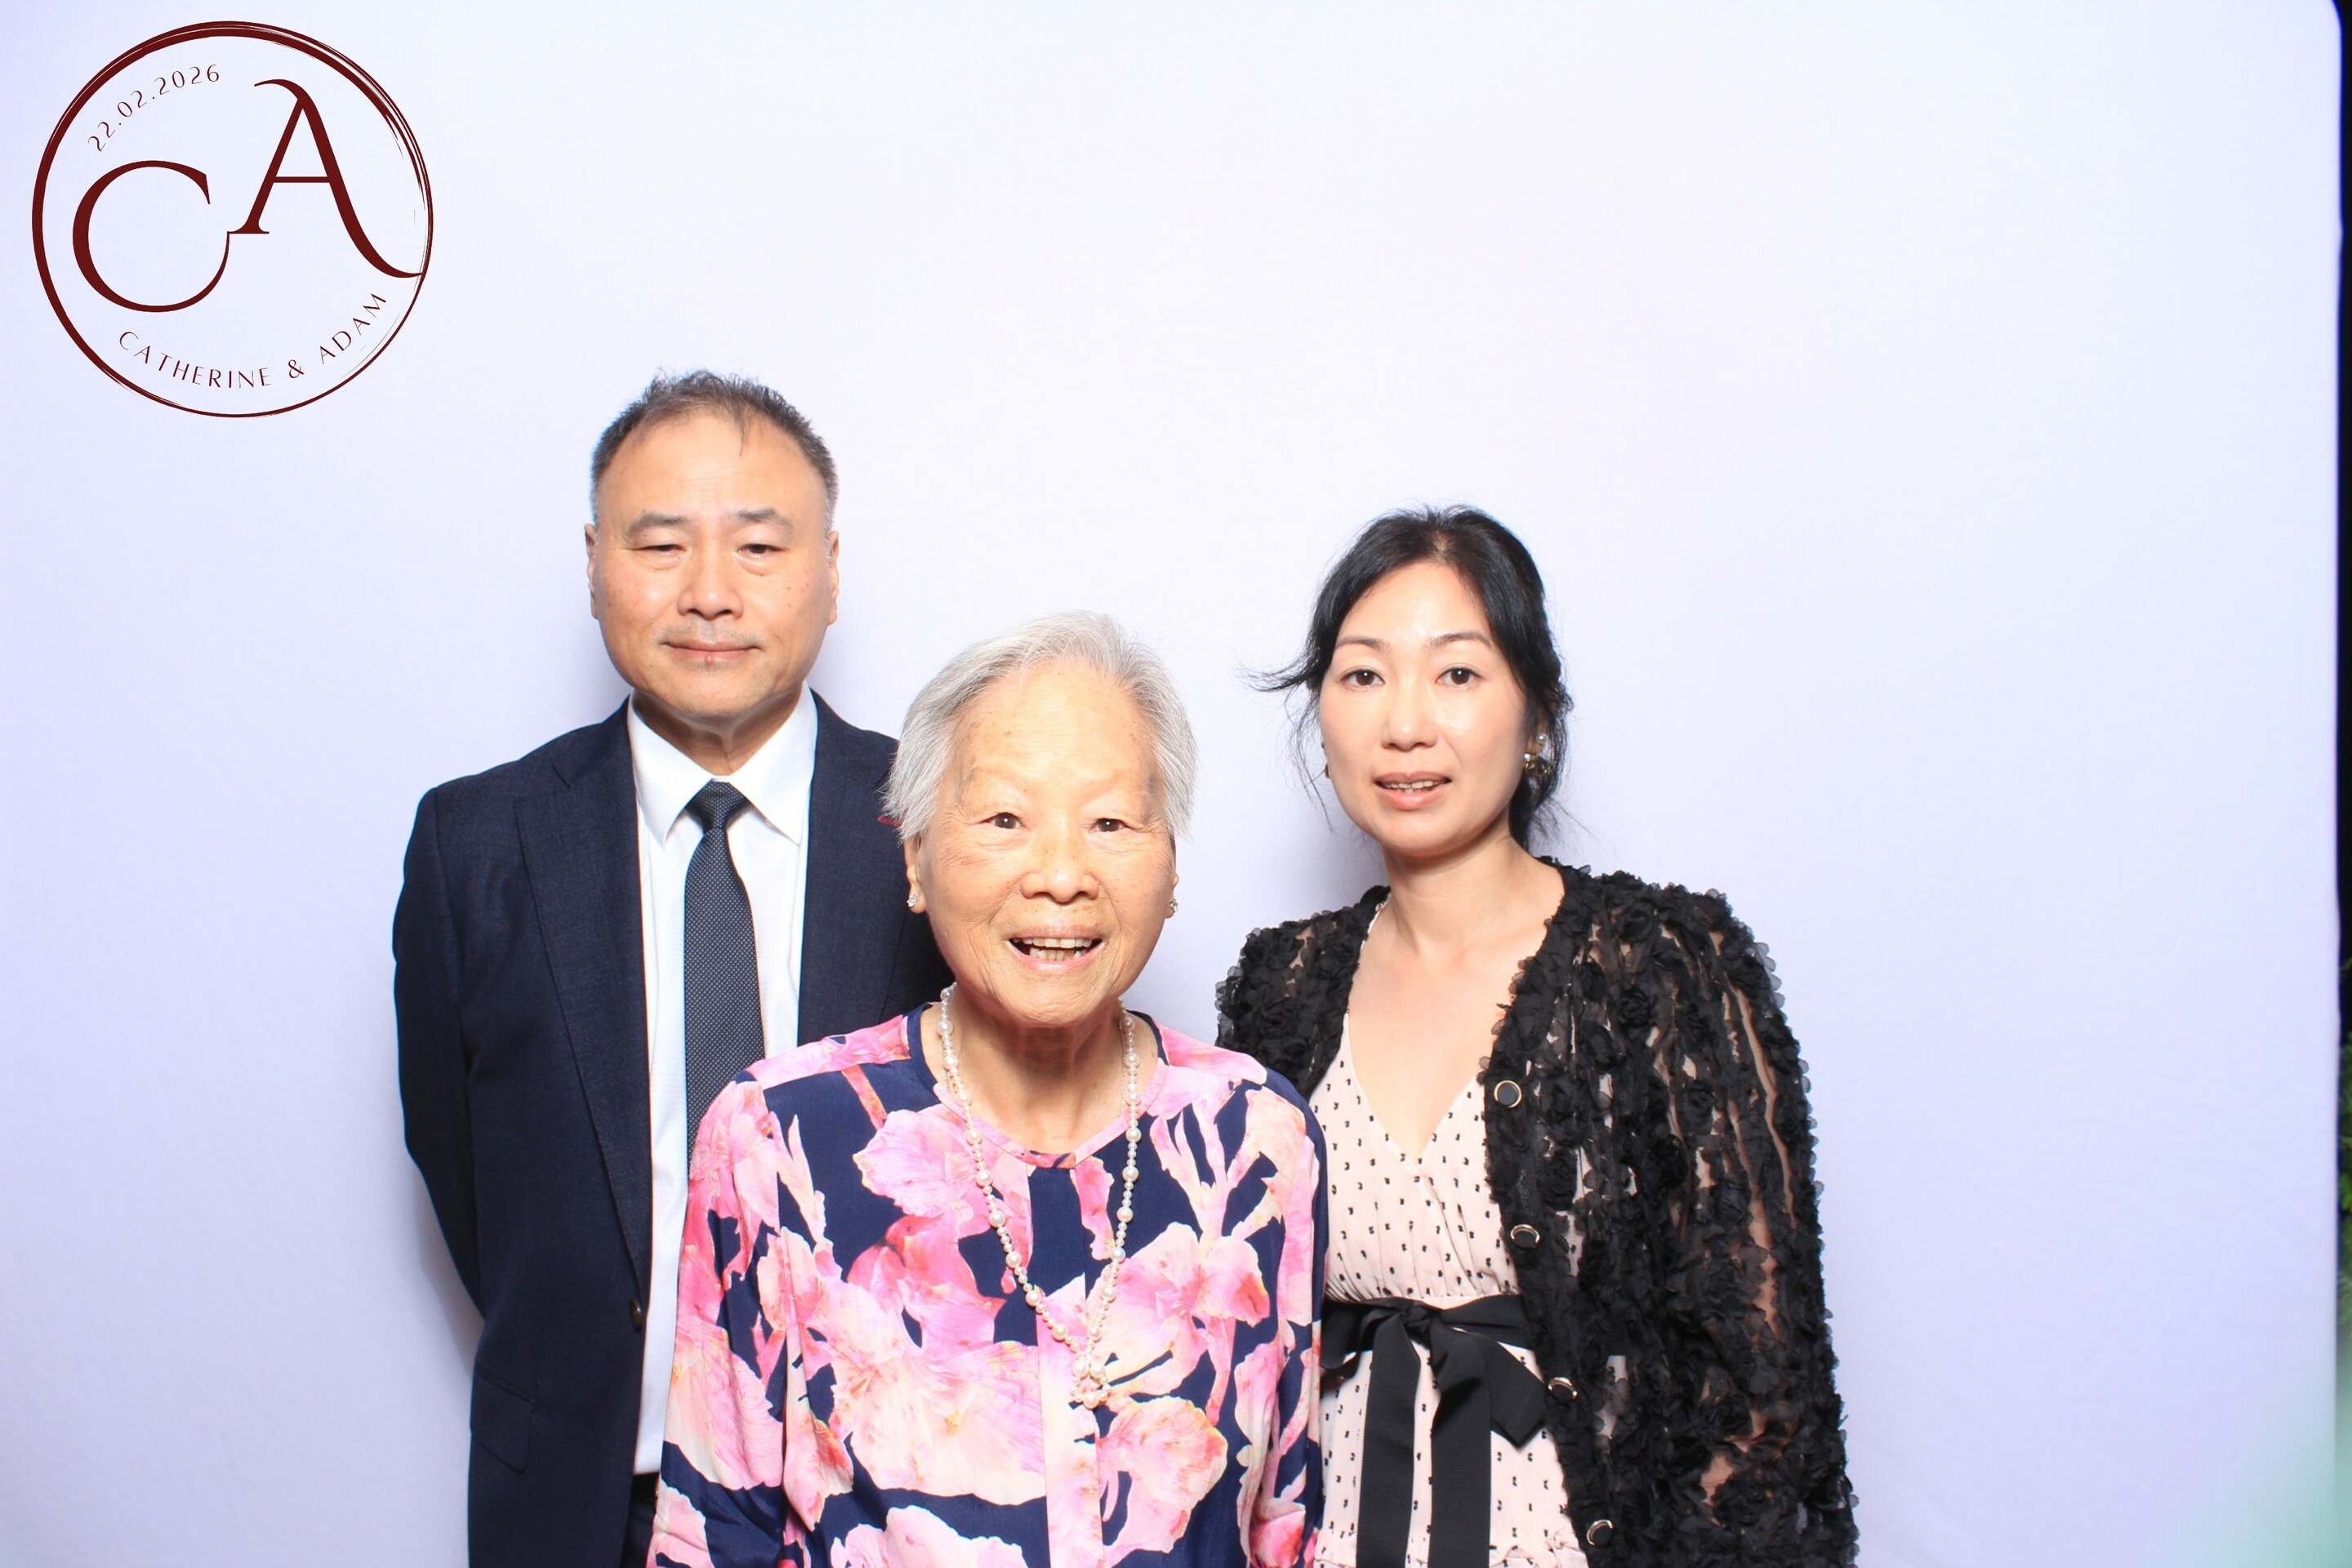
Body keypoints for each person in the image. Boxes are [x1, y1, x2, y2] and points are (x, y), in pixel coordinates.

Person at [1218, 508, 1855, 1567]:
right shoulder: (1284, 988)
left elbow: (1763, 1391)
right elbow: (1243, 1349)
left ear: (1537, 717)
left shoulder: (1659, 968)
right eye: (1363, 675)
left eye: (1457, 674)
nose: (1405, 724)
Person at [394, 372, 949, 1568]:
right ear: (596, 565)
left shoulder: (942, 827)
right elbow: (463, 1170)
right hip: (586, 1501)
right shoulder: (477, 846)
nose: (709, 592)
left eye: (759, 546)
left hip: (897, 1502)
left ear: (831, 570)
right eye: (660, 546)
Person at [646, 612, 1325, 1568]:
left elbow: (1286, 1526)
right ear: (916, 860)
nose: (1061, 876)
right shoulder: (777, 1136)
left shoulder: (1255, 1134)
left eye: (1111, 822)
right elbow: (712, 1536)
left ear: (1172, 862)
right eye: (1005, 820)